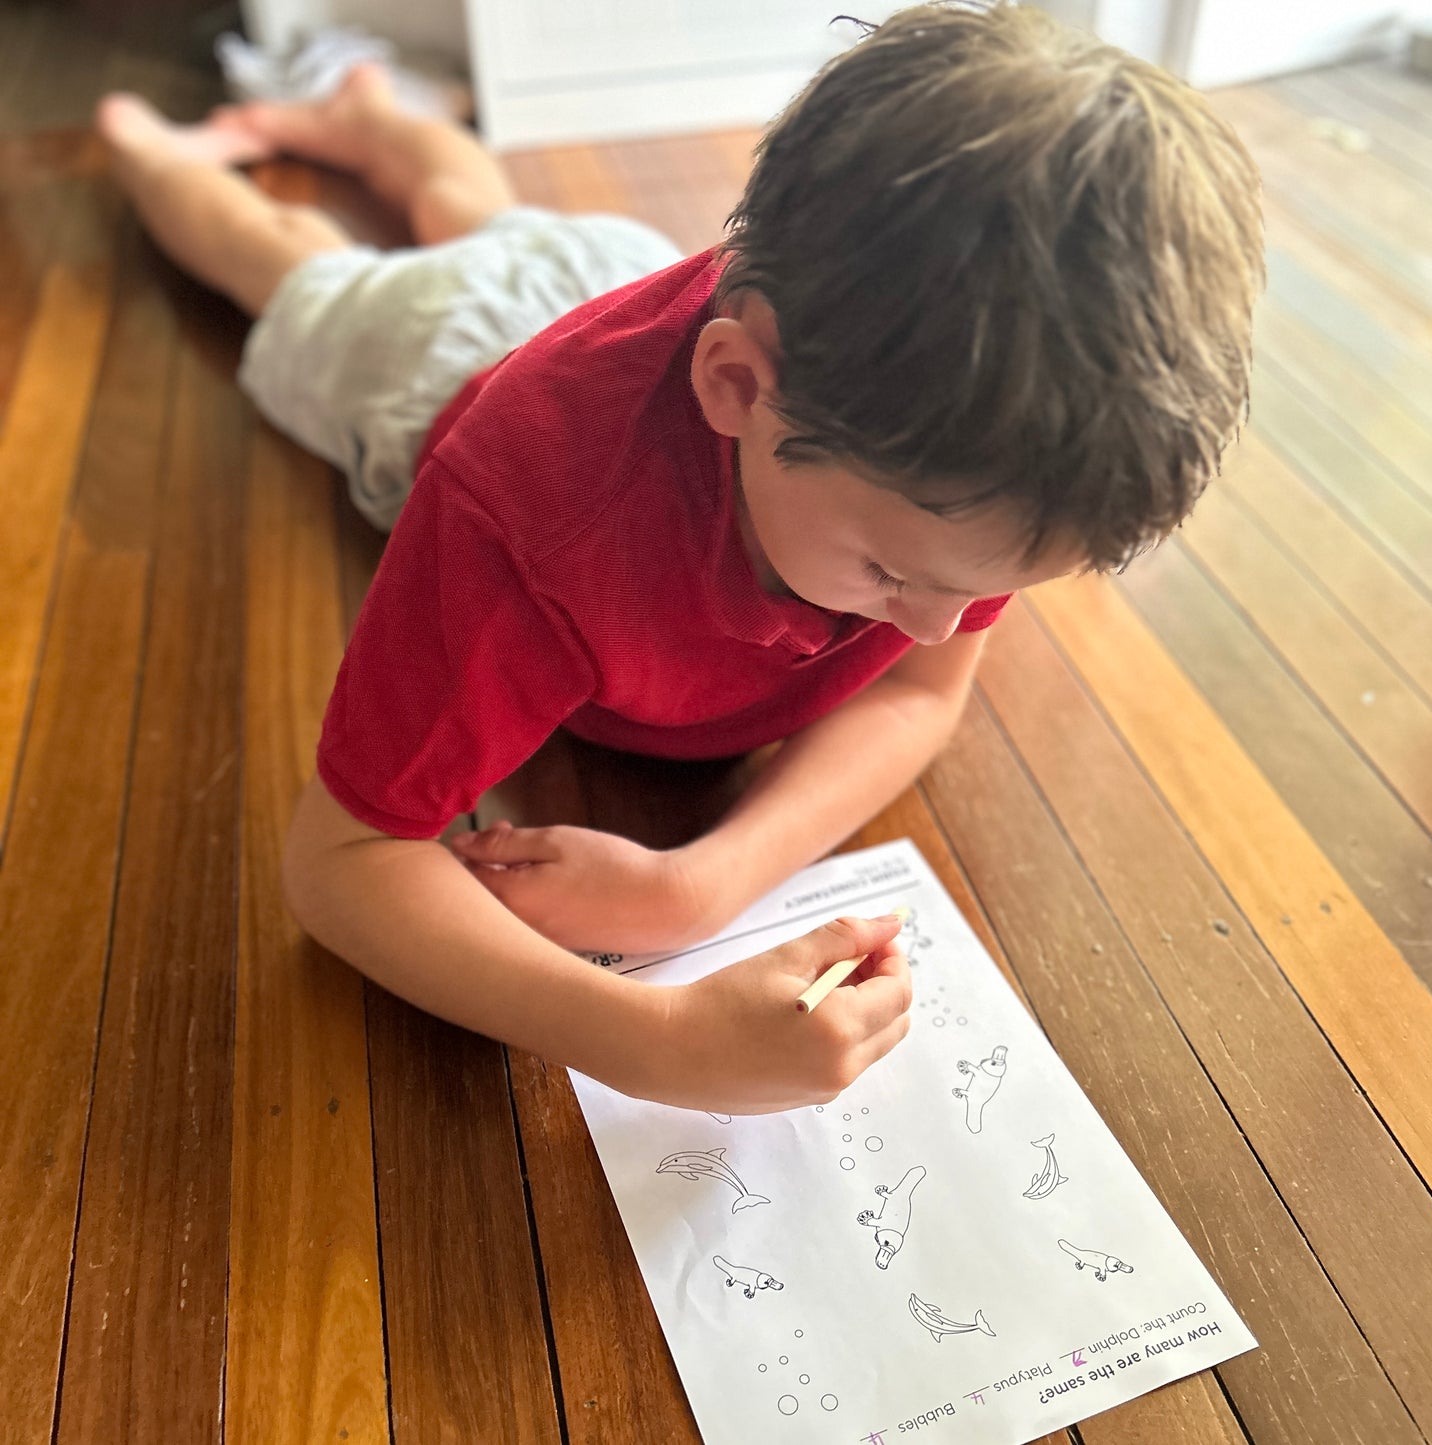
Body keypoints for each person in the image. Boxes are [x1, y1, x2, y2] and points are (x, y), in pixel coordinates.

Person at [94, 4, 1263, 1115]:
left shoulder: (947, 462)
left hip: (617, 273)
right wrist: (647, 1039)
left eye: (981, 590)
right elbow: (340, 859)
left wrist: (698, 884)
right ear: (734, 386)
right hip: (429, 360)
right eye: (893, 576)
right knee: (289, 262)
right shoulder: (529, 524)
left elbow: (917, 693)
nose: (932, 628)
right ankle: (144, 148)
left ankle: (367, 121)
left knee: (496, 221)